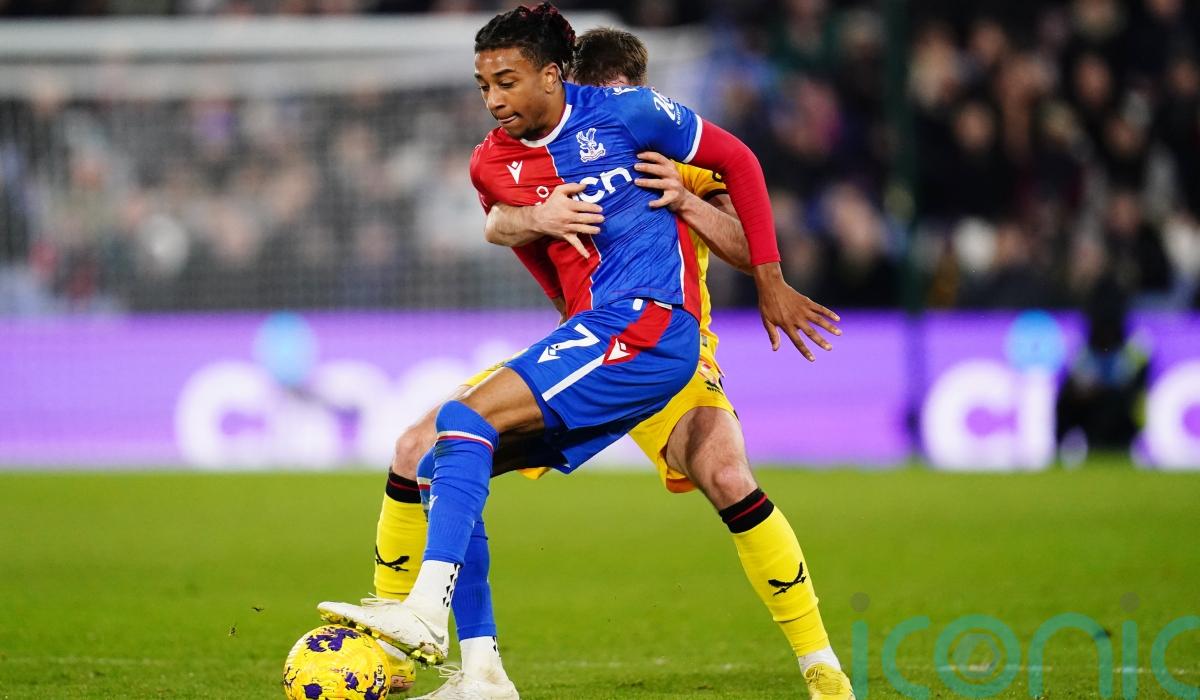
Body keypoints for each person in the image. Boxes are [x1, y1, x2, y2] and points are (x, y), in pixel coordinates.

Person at [320, 5, 848, 699]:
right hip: (586, 339)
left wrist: (688, 205)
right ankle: (429, 657)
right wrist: (528, 219)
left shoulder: (669, 154)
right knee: (424, 449)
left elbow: (755, 240)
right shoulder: (520, 154)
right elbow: (500, 220)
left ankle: (821, 665)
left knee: (726, 474)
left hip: (664, 341)